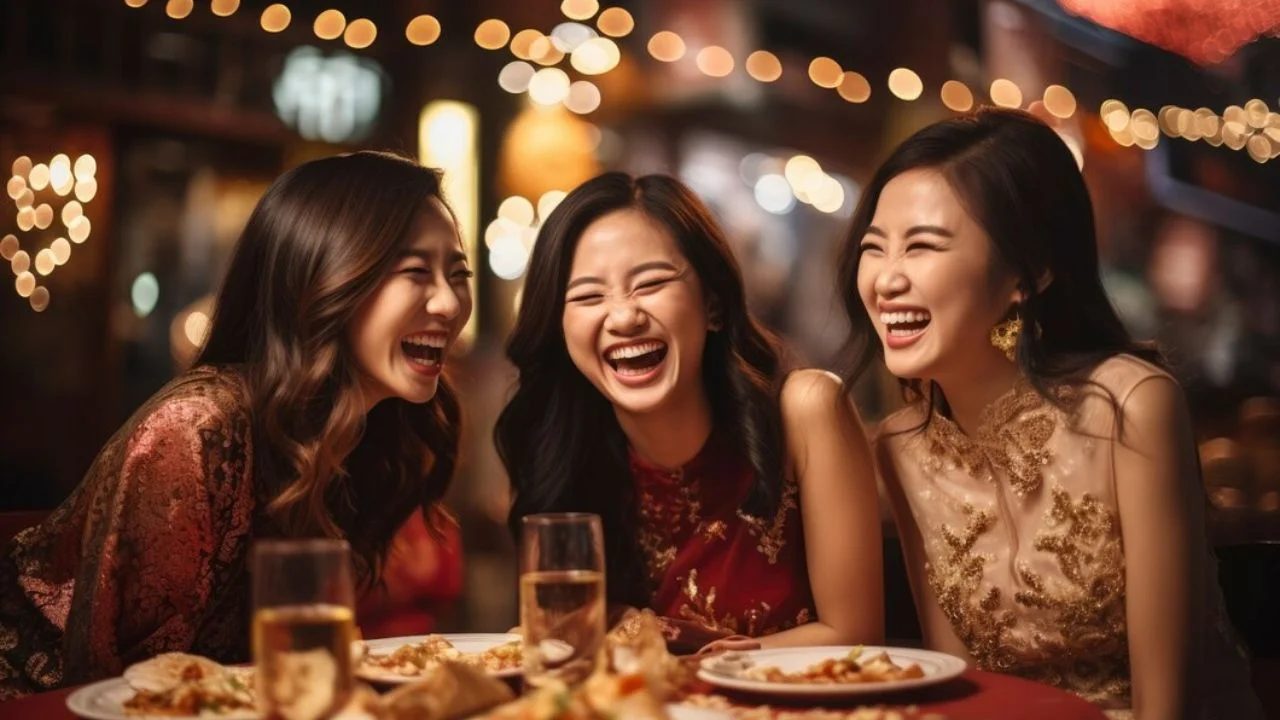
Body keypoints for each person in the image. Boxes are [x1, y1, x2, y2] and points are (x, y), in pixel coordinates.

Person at [837, 107, 1262, 718]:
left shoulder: (1129, 406)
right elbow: (960, 687)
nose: (885, 280)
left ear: (1028, 272)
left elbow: (1167, 703)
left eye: (922, 246)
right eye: (874, 249)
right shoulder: (900, 445)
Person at [0, 151, 473, 698]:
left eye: (457, 275)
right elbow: (131, 690)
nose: (449, 302)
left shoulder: (361, 429)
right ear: (324, 281)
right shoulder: (196, 430)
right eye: (416, 273)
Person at [496, 172, 883, 653]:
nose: (623, 317)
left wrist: (690, 660)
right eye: (589, 296)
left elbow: (855, 636)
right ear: (559, 328)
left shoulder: (805, 411)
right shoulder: (557, 452)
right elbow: (564, 648)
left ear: (713, 305)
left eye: (651, 283)